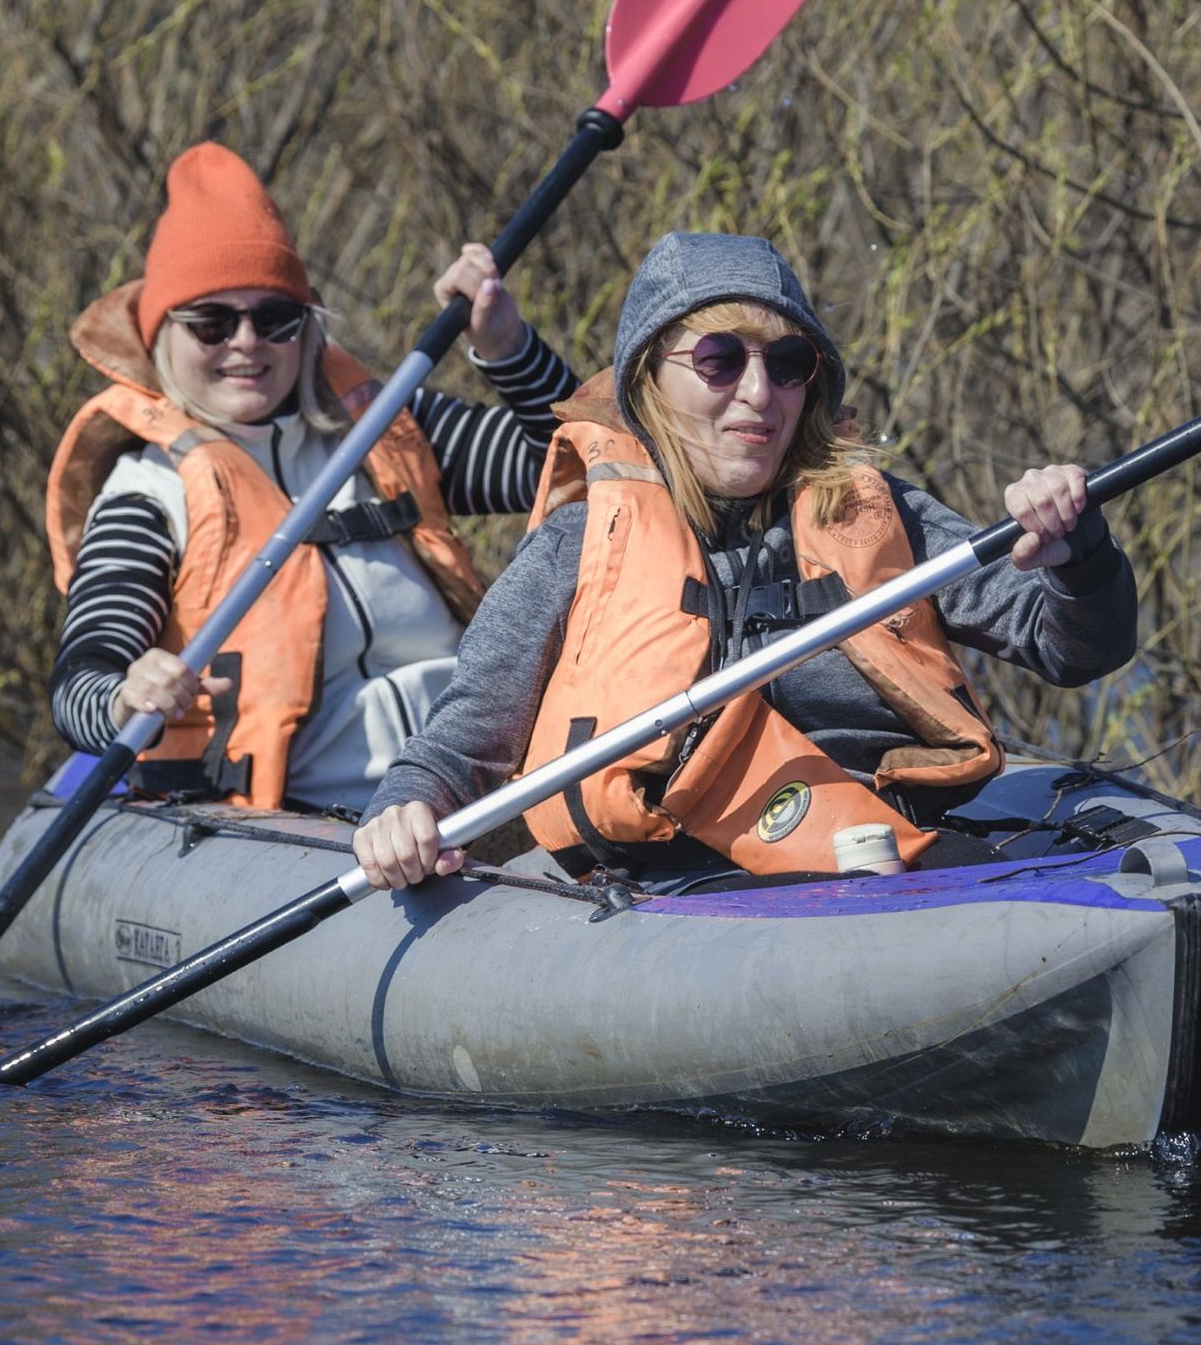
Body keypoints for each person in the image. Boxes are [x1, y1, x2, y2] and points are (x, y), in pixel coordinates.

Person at [348, 230, 1136, 888]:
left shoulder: (878, 513)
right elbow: (463, 743)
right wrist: (406, 808)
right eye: (721, 360)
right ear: (650, 380)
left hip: (883, 851)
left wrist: (1078, 553)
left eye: (789, 363)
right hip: (671, 884)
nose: (761, 393)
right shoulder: (578, 545)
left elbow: (1077, 648)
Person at [46, 141, 579, 817]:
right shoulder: (147, 495)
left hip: (475, 792)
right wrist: (125, 693)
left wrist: (508, 349)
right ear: (163, 338)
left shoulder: (386, 431)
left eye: (273, 319)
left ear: (305, 329)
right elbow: (80, 683)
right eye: (211, 322)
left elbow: (574, 464)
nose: (245, 342)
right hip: (301, 820)